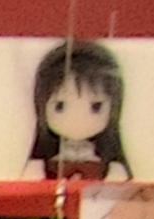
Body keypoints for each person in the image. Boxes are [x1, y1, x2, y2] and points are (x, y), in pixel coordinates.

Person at [27, 38, 131, 181]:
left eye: (96, 107)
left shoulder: (110, 168)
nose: (77, 119)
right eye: (59, 106)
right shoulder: (41, 166)